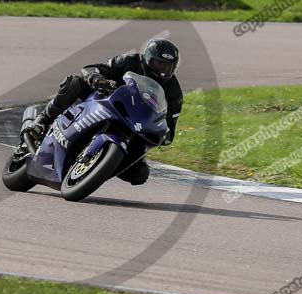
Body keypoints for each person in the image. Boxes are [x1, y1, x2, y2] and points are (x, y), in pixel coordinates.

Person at [25, 38, 183, 185]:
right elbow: (90, 69)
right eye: (159, 64)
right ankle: (41, 121)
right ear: (148, 59)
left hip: (135, 126)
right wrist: (96, 78)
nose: (162, 70)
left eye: (167, 66)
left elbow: (170, 127)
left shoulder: (174, 91)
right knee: (75, 83)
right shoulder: (128, 61)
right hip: (108, 101)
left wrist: (162, 132)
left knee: (140, 175)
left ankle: (96, 168)